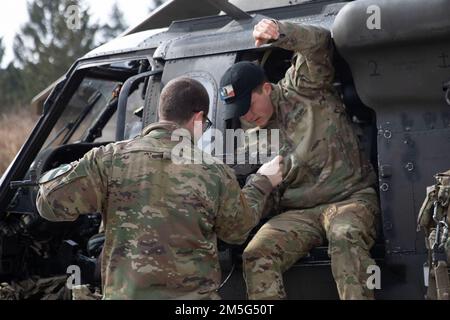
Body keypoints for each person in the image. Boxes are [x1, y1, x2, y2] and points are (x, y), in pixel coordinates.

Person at [36, 77, 284, 300]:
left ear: (161, 112)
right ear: (198, 118)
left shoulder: (108, 159)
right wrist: (262, 182)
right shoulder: (213, 171)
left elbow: (48, 201)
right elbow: (237, 230)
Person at [219, 19, 379, 300]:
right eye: (239, 111)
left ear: (266, 88)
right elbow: (260, 198)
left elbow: (318, 44)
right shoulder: (251, 136)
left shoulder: (304, 87)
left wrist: (280, 31)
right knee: (257, 254)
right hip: (299, 214)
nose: (246, 117)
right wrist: (263, 185)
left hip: (349, 198)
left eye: (249, 106)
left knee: (345, 239)